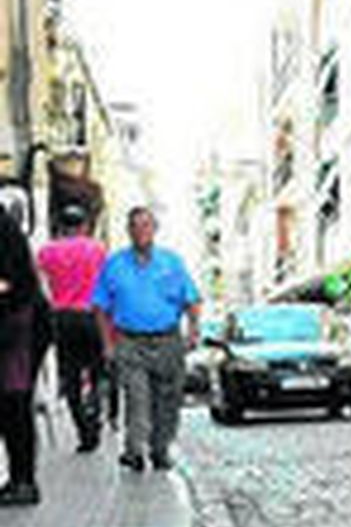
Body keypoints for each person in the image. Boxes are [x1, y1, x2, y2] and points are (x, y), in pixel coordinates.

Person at [91, 207, 201, 473]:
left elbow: (192, 299)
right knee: (137, 398)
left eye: (147, 225)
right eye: (136, 226)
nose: (141, 231)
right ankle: (134, 451)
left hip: (168, 339)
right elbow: (100, 308)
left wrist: (194, 330)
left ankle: (160, 450)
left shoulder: (172, 262)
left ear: (155, 229)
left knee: (168, 400)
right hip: (130, 341)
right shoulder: (114, 264)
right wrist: (107, 344)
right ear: (129, 231)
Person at [37, 203, 109, 452]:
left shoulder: (46, 252)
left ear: (61, 226)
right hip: (91, 317)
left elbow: (39, 284)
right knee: (98, 370)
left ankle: (83, 431)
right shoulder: (97, 249)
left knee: (70, 376)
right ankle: (95, 408)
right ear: (84, 226)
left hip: (61, 318)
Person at [0, 205, 54, 506]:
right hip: (14, 322)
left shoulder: (4, 228)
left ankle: (24, 482)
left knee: (14, 401)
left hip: (21, 325)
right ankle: (20, 478)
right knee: (9, 403)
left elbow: (9, 282)